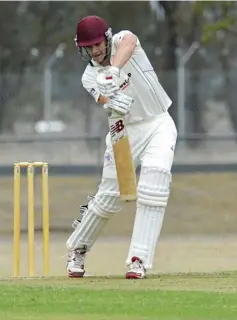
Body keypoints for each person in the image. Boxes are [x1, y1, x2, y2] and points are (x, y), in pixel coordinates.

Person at [66, 15, 178, 279]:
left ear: (106, 38)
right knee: (108, 198)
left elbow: (130, 41)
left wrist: (113, 70)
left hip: (159, 122)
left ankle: (138, 260)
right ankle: (77, 249)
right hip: (124, 132)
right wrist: (112, 101)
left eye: (97, 44)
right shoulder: (88, 76)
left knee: (154, 186)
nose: (95, 50)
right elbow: (104, 97)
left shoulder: (122, 41)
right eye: (88, 47)